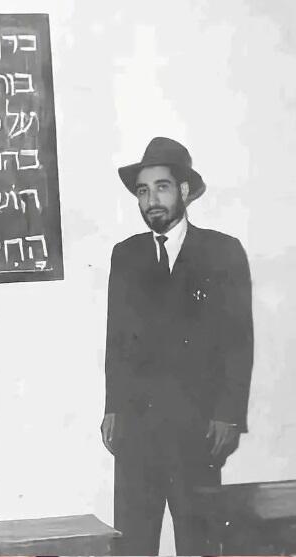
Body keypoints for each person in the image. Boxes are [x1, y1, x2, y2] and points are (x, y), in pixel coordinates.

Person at [101, 137, 254, 555]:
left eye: (161, 187)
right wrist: (113, 406)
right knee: (132, 543)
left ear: (184, 191)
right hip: (137, 429)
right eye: (143, 191)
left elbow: (239, 341)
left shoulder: (222, 252)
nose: (151, 200)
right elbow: (117, 339)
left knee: (200, 541)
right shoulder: (126, 255)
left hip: (198, 429)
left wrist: (228, 414)